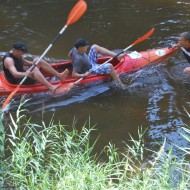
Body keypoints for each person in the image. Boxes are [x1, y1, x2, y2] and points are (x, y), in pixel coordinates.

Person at [3, 42, 69, 93]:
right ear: (15, 51)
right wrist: (26, 74)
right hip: (16, 81)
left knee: (37, 60)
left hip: (23, 74)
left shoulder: (18, 54)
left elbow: (24, 62)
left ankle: (59, 75)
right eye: (22, 52)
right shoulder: (9, 60)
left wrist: (33, 63)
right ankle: (51, 87)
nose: (23, 54)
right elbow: (15, 74)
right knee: (34, 69)